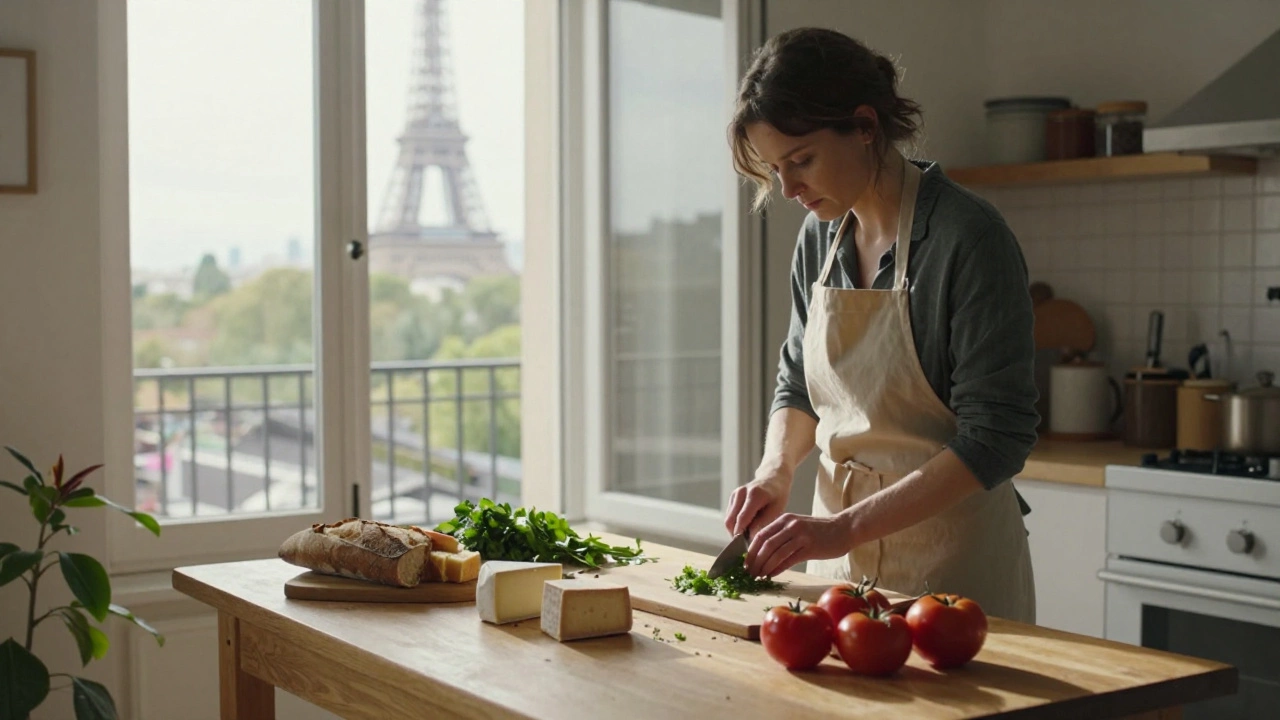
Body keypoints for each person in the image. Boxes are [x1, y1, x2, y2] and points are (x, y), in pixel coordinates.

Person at [722, 27, 1038, 623]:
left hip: (953, 580)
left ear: (865, 125)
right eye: (774, 169)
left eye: (802, 160)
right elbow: (798, 385)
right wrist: (774, 474)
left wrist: (842, 528)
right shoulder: (819, 238)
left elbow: (997, 435)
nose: (787, 189)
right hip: (835, 566)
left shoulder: (968, 238)